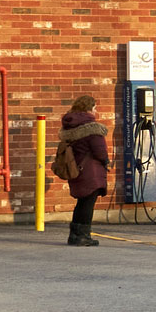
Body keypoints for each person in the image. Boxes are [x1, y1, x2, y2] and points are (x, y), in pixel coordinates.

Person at [60, 95, 109, 246]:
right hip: (91, 171)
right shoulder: (92, 128)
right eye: (94, 107)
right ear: (88, 108)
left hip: (76, 167)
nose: (96, 110)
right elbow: (100, 151)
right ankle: (83, 236)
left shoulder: (70, 126)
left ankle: (74, 235)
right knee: (88, 203)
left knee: (82, 202)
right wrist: (106, 161)